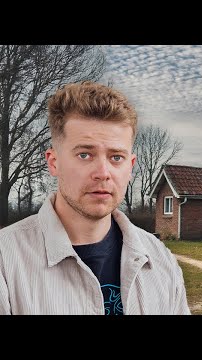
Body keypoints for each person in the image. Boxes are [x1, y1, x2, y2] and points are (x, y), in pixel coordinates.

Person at [0, 81, 190, 315]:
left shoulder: (160, 259)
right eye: (84, 154)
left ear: (130, 167)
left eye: (116, 157)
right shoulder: (5, 262)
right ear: (53, 162)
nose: (103, 173)